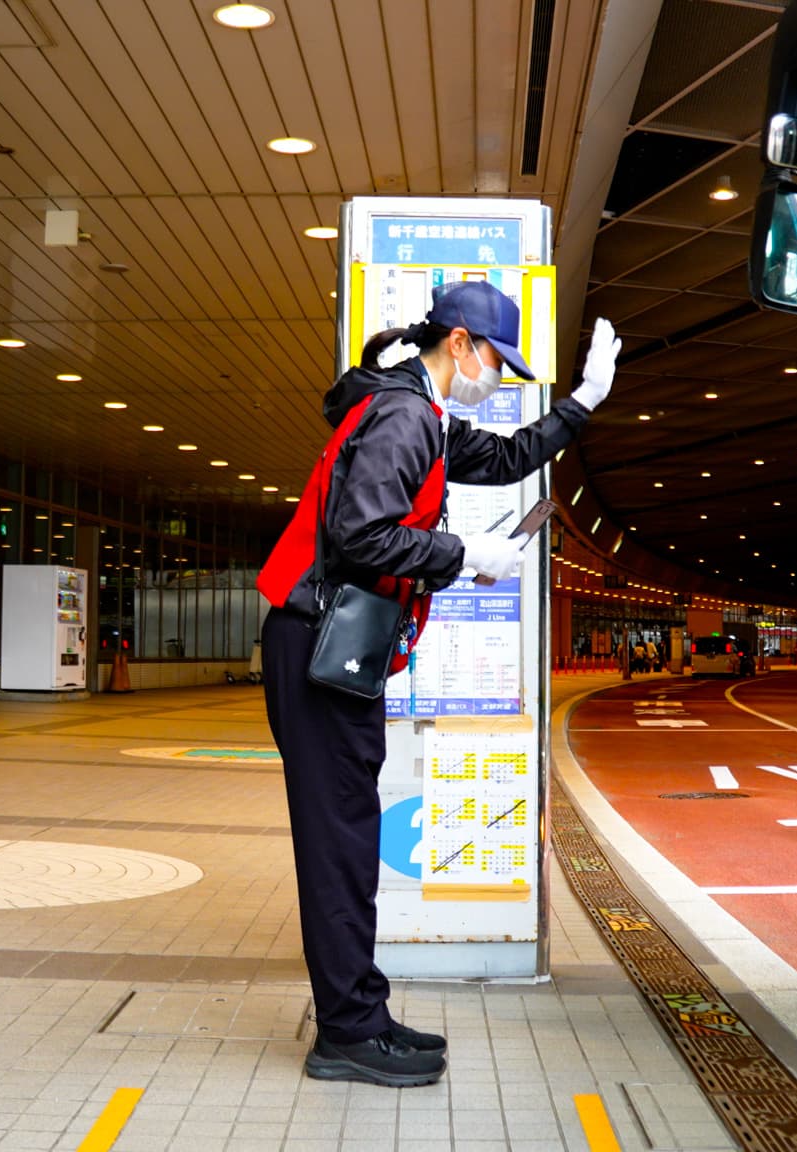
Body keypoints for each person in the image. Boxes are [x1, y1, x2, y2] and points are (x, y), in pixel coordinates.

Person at [257, 281, 619, 1088]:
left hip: (328, 648)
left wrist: (583, 404)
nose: (497, 374)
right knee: (340, 843)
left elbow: (504, 458)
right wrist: (465, 556)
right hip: (320, 649)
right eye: (495, 357)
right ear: (459, 343)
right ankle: (347, 1034)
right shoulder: (403, 416)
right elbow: (362, 533)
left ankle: (361, 1014)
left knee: (347, 839)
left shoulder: (416, 409)